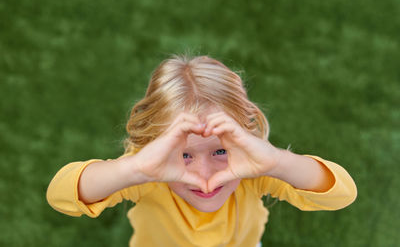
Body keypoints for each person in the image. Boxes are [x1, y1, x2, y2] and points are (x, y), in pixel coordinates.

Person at [46, 55, 357, 247]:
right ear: (155, 146)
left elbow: (342, 194)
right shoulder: (149, 172)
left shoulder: (252, 170)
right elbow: (60, 195)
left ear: (244, 137)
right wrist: (135, 169)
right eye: (185, 155)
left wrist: (276, 161)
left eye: (220, 151)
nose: (206, 176)